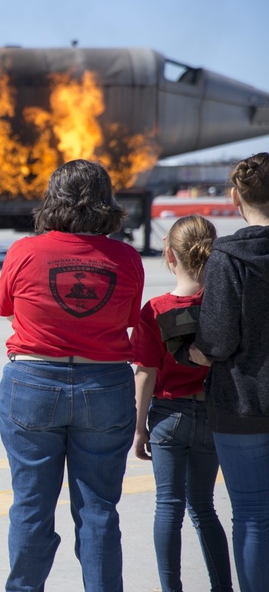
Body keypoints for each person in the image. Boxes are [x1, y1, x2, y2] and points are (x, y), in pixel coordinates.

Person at [0, 159, 145, 591]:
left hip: (33, 382)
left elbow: (5, 309)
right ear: (106, 201)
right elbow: (130, 318)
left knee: (31, 506)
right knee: (98, 510)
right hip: (104, 385)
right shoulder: (126, 258)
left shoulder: (24, 251)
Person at [131, 215, 232, 592]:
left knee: (168, 507)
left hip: (167, 416)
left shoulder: (154, 310)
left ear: (169, 256)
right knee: (204, 509)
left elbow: (145, 372)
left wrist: (139, 428)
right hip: (212, 415)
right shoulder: (222, 306)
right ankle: (223, 586)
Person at [190, 152, 269, 592]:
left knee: (254, 516)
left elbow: (218, 340)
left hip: (243, 404)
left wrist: (198, 353)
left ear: (236, 196)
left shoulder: (228, 256)